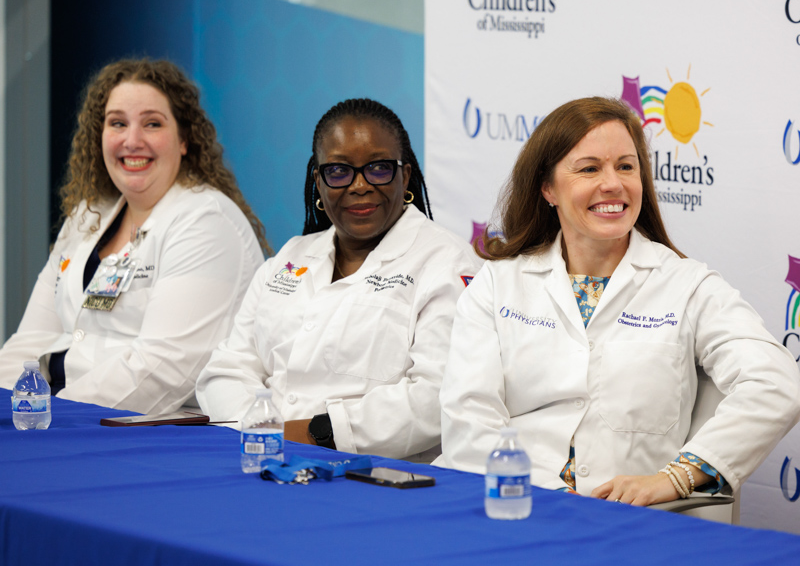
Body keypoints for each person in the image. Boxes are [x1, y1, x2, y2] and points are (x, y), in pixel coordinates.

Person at [436, 96, 800, 504]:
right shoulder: (497, 283)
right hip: (513, 506)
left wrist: (677, 477)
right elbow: (469, 421)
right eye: (589, 168)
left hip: (625, 522)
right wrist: (553, 499)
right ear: (547, 188)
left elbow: (777, 383)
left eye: (626, 166)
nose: (612, 183)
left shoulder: (689, 285)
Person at [196, 98, 481, 461]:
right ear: (318, 180)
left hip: (370, 476)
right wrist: (258, 429)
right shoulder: (290, 257)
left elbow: (435, 395)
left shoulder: (445, 262)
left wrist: (311, 434)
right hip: (258, 456)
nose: (359, 185)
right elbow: (227, 368)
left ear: (405, 175)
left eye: (378, 169)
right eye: (339, 171)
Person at [0, 59, 268, 414]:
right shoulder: (87, 216)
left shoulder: (207, 223)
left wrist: (55, 415)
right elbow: (29, 342)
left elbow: (162, 368)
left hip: (138, 429)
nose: (132, 140)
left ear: (184, 139)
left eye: (152, 124)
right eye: (117, 124)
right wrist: (9, 407)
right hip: (56, 417)